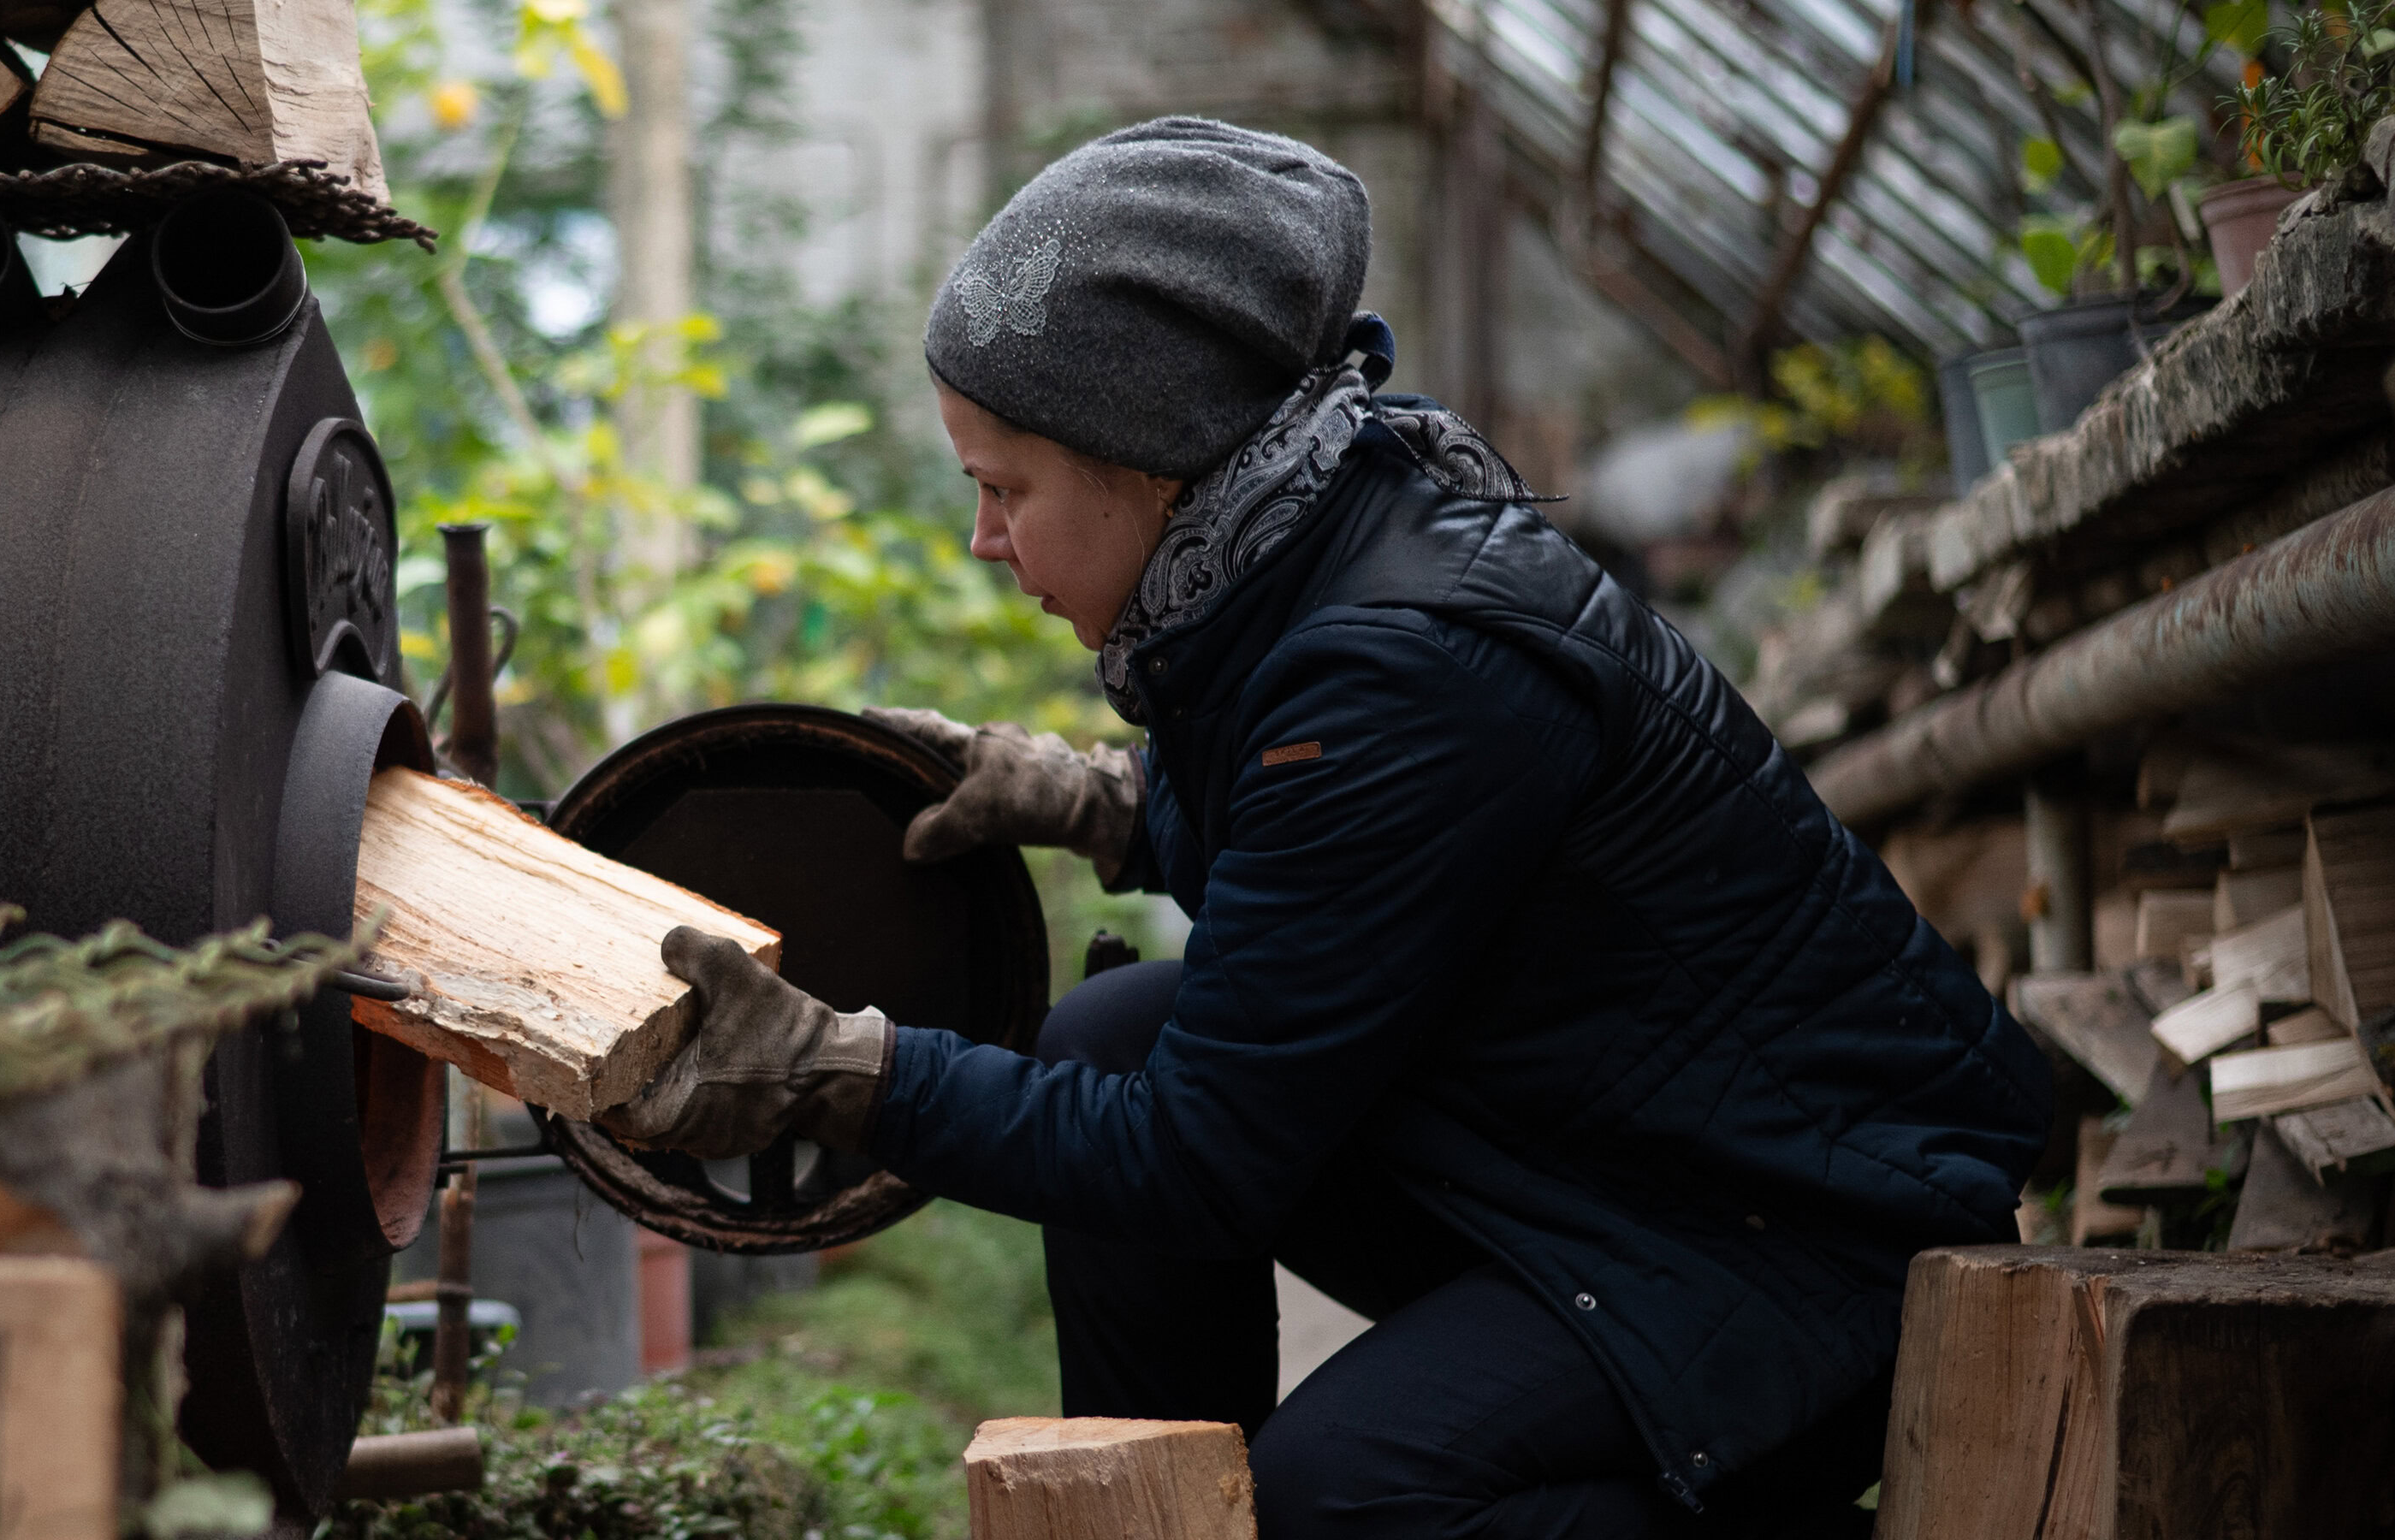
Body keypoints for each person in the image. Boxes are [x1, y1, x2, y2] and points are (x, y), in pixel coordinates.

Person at [596, 118, 2049, 1538]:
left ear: (1149, 458)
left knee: (1335, 1497)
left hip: (1799, 1240)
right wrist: (1102, 804)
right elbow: (1369, 879)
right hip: (1619, 1160)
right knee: (1109, 1038)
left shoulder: (1400, 665)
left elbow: (1197, 1159)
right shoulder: (1295, 542)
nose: (986, 542)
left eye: (1002, 490)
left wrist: (839, 1071)